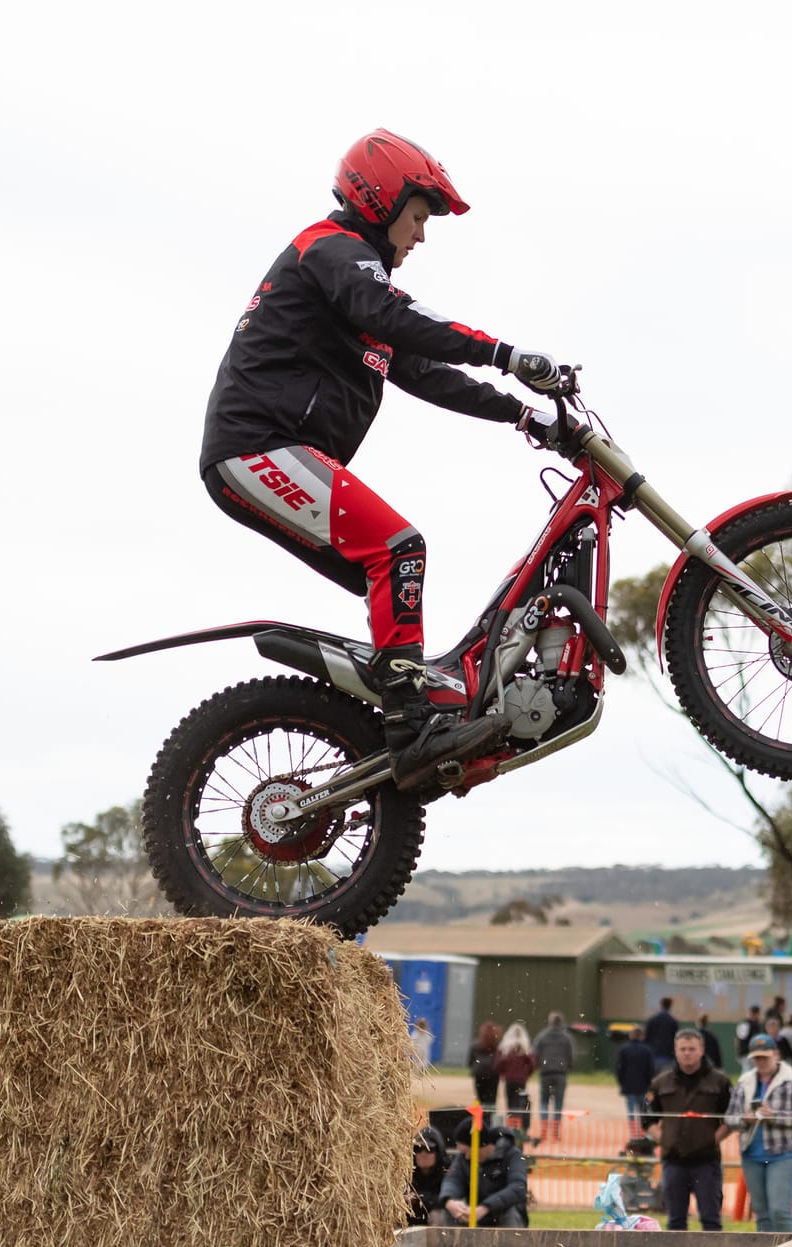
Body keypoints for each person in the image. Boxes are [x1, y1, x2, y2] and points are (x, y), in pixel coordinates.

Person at [199, 129, 582, 793]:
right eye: (419, 216)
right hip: (257, 447)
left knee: (391, 571)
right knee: (398, 549)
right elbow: (397, 314)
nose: (422, 236)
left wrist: (524, 416)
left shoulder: (354, 291)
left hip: (278, 451)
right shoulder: (331, 250)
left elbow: (426, 372)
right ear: (382, 199)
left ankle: (397, 723)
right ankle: (410, 728)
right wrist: (506, 354)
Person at [646, 1027, 736, 1232]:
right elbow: (647, 1118)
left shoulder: (720, 1082)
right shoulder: (660, 1082)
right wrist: (664, 1139)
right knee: (675, 1222)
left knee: (711, 1221)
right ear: (675, 1051)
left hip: (706, 1163)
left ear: (701, 1050)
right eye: (682, 1049)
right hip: (673, 1162)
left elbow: (732, 1117)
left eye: (692, 1049)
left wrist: (714, 1139)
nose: (687, 1053)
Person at [725, 1034, 792, 1232]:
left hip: (784, 1154)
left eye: (765, 1057)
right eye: (757, 1058)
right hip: (752, 1155)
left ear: (776, 1054)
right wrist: (745, 1119)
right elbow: (730, 1118)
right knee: (761, 1213)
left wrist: (775, 1116)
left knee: (779, 1211)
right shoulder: (744, 1082)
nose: (761, 1061)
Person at [439, 1116, 529, 1228]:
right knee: (450, 1213)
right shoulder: (463, 1158)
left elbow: (518, 1187)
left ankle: (511, 1240)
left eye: (466, 1152)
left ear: (480, 1145)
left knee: (510, 1213)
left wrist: (485, 1208)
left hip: (503, 1214)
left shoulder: (512, 1155)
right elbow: (452, 1180)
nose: (466, 1157)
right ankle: (451, 1240)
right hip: (474, 1213)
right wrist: (449, 1201)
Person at [533, 1011, 576, 1143]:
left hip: (545, 1073)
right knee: (558, 1104)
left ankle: (544, 1131)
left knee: (544, 1102)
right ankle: (555, 1132)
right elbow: (571, 1055)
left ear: (550, 1022)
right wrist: (568, 1066)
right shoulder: (567, 1037)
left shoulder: (542, 1036)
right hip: (560, 1074)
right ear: (561, 1022)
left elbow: (534, 1053)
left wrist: (540, 1066)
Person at [615, 1026, 657, 1138]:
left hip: (628, 1086)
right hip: (643, 1086)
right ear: (642, 1036)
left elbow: (619, 1069)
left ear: (630, 1035)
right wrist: (650, 1084)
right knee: (643, 1111)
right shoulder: (647, 1050)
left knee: (631, 1112)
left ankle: (634, 1134)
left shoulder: (624, 1049)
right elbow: (651, 1070)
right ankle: (642, 1132)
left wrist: (621, 1082)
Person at [496, 1022, 534, 1134]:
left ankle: (511, 1127)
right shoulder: (525, 1048)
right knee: (520, 1103)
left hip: (509, 1080)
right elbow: (532, 1064)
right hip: (521, 1081)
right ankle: (520, 1129)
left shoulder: (505, 1048)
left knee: (510, 1104)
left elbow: (498, 1064)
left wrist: (503, 1073)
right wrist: (526, 1074)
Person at [407, 1126, 450, 1226]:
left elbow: (448, 1200)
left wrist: (419, 1197)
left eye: (429, 1149)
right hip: (411, 1220)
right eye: (418, 1149)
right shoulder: (406, 1171)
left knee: (438, 1215)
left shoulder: (448, 1170)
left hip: (436, 1220)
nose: (423, 1154)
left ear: (438, 1152)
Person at [467, 1021, 501, 1119]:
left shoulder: (476, 1045)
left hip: (479, 1074)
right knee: (491, 1101)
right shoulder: (497, 1046)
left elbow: (470, 1062)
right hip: (493, 1075)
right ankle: (490, 1119)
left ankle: (481, 1120)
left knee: (480, 1100)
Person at [644, 997, 681, 1074]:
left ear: (661, 1005)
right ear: (670, 1006)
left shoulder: (652, 1020)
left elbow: (646, 1038)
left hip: (653, 1056)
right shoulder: (673, 1021)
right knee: (666, 1079)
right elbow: (677, 1040)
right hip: (668, 1057)